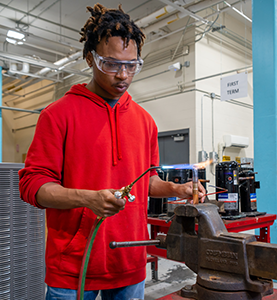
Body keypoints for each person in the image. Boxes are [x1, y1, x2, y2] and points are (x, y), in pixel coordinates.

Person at [19, 4, 205, 300]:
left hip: (129, 263)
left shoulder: (145, 121)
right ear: (91, 58)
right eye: (112, 64)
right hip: (73, 268)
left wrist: (176, 189)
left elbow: (145, 182)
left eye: (131, 65)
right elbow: (32, 186)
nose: (123, 75)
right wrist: (88, 199)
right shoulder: (58, 115)